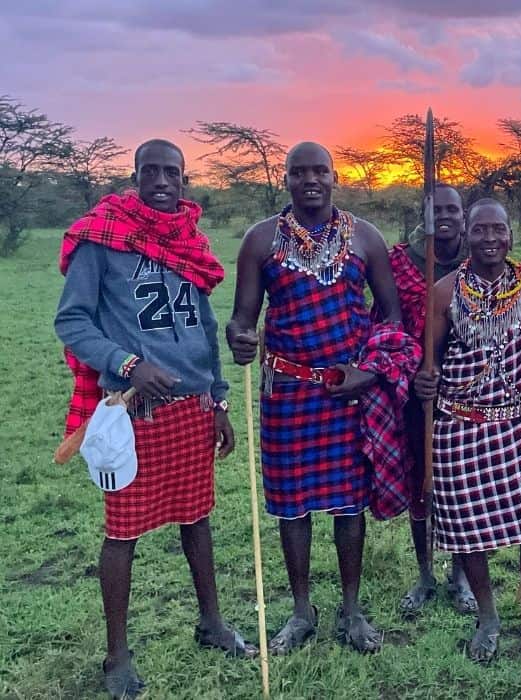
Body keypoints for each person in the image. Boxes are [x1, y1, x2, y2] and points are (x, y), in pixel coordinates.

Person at [55, 139, 255, 699]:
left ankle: (211, 623)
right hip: (133, 411)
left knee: (198, 518)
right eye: (152, 172)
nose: (163, 181)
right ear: (135, 176)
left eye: (173, 173)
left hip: (192, 408)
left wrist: (217, 399)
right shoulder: (102, 238)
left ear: (185, 181)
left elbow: (204, 330)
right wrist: (127, 363)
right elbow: (72, 321)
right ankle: (116, 656)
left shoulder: (190, 242)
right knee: (124, 532)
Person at [226, 142, 417, 655]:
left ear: (336, 176)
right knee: (293, 508)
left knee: (348, 504)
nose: (309, 179)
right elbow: (243, 317)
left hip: (346, 391)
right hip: (287, 390)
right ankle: (300, 609)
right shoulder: (260, 240)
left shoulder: (366, 239)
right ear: (285, 179)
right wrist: (240, 337)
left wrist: (370, 371)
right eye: (298, 172)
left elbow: (392, 318)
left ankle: (352, 609)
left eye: (319, 171)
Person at [414, 198, 521, 666]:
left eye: (498, 230)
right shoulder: (443, 292)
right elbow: (428, 363)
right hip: (458, 428)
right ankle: (488, 618)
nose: (490, 239)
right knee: (469, 535)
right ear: (467, 235)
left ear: (511, 234)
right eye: (480, 230)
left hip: (517, 425)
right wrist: (423, 380)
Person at [382, 184, 476, 616]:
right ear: (423, 214)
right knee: (421, 480)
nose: (445, 217)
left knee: (462, 482)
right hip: (416, 390)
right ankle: (424, 573)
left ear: (463, 217)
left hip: (471, 391)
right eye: (436, 209)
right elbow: (388, 323)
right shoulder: (401, 262)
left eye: (453, 210)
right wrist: (413, 368)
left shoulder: (479, 262)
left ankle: (462, 575)